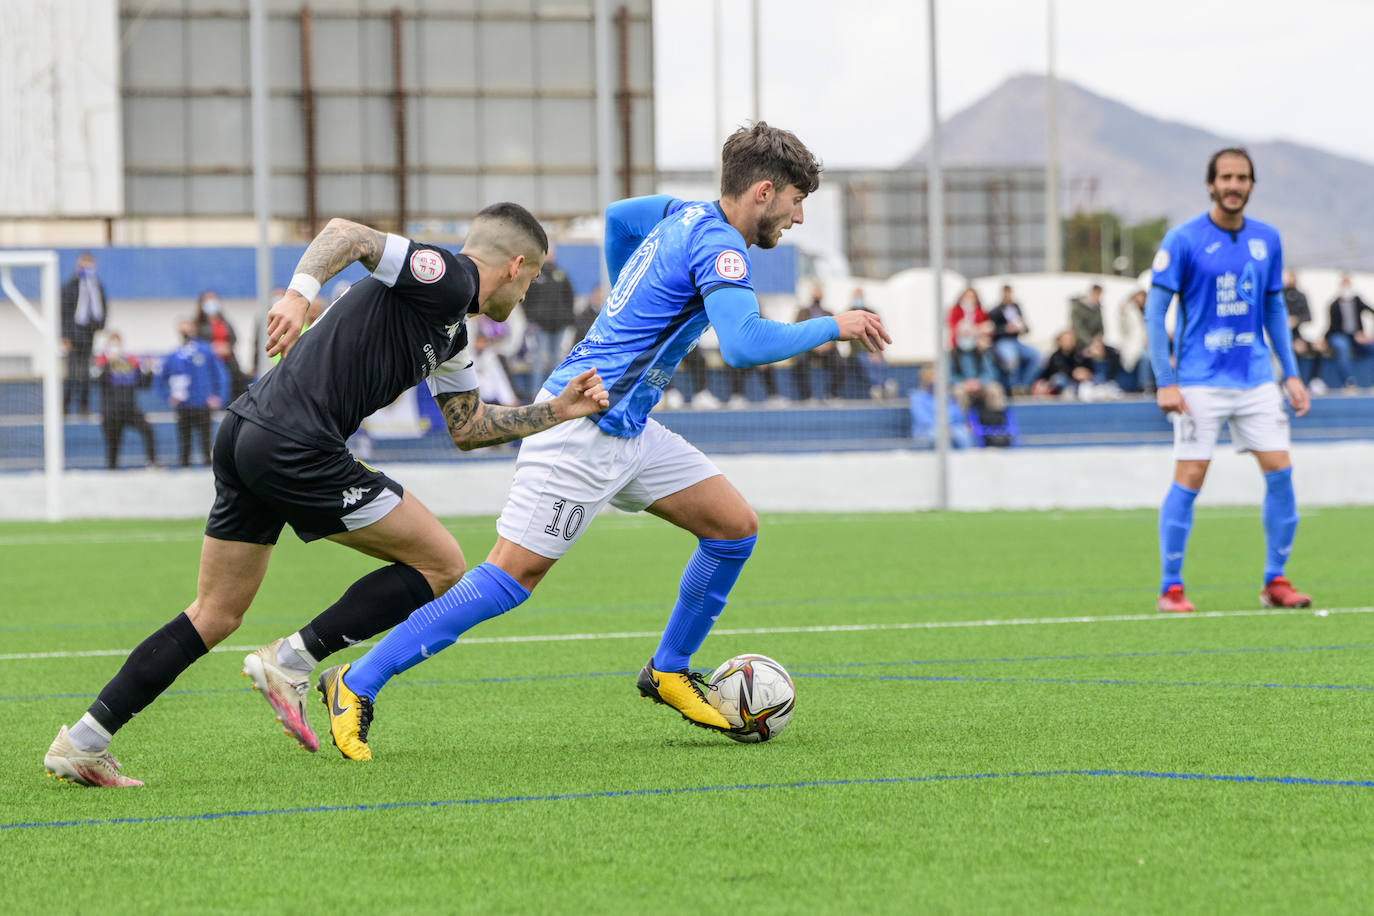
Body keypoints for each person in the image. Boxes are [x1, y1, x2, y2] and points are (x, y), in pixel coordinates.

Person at [316, 121, 890, 760]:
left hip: (629, 425)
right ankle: (355, 681)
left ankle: (668, 671)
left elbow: (619, 218)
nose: (799, 216)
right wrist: (832, 324)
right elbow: (744, 343)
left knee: (733, 528)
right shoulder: (722, 249)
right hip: (579, 426)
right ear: (762, 191)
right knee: (510, 579)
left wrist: (623, 303)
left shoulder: (680, 213)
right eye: (795, 201)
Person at [42, 203, 609, 786]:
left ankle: (83, 741)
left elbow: (468, 428)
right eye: (534, 277)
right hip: (297, 443)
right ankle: (291, 660)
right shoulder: (451, 275)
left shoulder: (452, 332)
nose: (528, 293)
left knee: (215, 613)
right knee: (442, 563)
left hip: (245, 432)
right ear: (516, 266)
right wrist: (297, 294)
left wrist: (558, 411)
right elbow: (347, 234)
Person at [1145, 147, 1311, 614]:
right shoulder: (1183, 239)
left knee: (1281, 473)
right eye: (1226, 177)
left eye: (1242, 178)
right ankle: (1171, 588)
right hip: (1198, 380)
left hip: (1256, 378)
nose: (1234, 185)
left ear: (1252, 185)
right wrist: (1165, 379)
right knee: (1191, 475)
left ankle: (1275, 582)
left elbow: (1274, 308)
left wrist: (1291, 375)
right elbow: (1155, 312)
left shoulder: (1267, 239)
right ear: (1210, 184)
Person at [160, 319, 231, 467]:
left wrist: (219, 397)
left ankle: (207, 470)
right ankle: (184, 472)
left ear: (194, 330)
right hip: (183, 406)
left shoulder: (206, 351)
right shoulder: (174, 355)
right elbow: (159, 379)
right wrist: (168, 396)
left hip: (203, 405)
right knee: (184, 445)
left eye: (188, 329)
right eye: (182, 329)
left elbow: (221, 375)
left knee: (206, 445)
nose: (185, 332)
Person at [520, 243, 577, 399]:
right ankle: (535, 396)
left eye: (552, 253)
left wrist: (567, 319)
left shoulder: (561, 275)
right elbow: (525, 299)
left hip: (559, 326)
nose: (550, 256)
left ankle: (555, 395)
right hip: (540, 327)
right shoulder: (535, 276)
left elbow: (569, 297)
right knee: (538, 360)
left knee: (557, 360)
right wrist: (532, 318)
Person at [94, 332, 157, 469]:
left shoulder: (130, 362)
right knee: (113, 445)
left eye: (117, 343)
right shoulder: (100, 362)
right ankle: (112, 468)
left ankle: (152, 462)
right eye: (112, 343)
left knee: (148, 430)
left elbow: (143, 384)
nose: (115, 347)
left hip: (130, 409)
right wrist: (109, 364)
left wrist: (148, 370)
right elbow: (96, 382)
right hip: (110, 412)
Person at [60, 252, 108, 416]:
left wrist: (99, 326)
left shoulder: (97, 286)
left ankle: (84, 405)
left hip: (89, 334)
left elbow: (102, 308)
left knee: (87, 372)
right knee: (73, 372)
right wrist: (65, 335)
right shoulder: (70, 285)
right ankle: (65, 405)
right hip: (73, 334)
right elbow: (64, 312)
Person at [792, 284, 849, 401]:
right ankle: (806, 396)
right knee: (800, 361)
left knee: (841, 363)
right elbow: (796, 331)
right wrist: (813, 344)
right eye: (815, 291)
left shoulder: (829, 312)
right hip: (807, 348)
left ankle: (832, 394)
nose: (817, 294)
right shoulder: (802, 312)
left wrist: (828, 345)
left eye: (819, 292)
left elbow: (836, 332)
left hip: (827, 349)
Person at [194, 291, 249, 400]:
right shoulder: (198, 325)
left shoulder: (225, 322)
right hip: (210, 365)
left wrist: (227, 347)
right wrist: (213, 348)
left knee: (235, 392)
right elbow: (197, 343)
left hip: (229, 363)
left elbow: (234, 338)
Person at [1324, 273, 1374, 389]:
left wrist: (1370, 334)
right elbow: (1333, 327)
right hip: (1339, 335)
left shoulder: (1357, 301)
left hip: (1357, 337)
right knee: (1342, 346)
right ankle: (1348, 381)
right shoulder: (1334, 305)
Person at [987, 284, 1040, 394]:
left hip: (1016, 342)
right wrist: (1005, 329)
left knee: (1037, 357)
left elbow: (1026, 328)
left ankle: (1024, 386)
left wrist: (1021, 328)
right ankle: (1013, 387)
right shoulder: (995, 311)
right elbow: (991, 331)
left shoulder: (1016, 308)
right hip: (1002, 342)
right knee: (1011, 359)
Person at [1070, 283, 1123, 389]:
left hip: (1095, 342)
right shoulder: (1078, 308)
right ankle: (1096, 382)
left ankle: (1106, 380)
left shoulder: (1097, 308)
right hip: (1081, 343)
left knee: (1114, 353)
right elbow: (1078, 329)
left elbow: (1101, 328)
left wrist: (1098, 339)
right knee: (1096, 352)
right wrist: (1091, 342)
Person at [1281, 270, 1325, 393]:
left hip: (1298, 335)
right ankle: (1288, 381)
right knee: (1292, 350)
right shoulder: (1278, 295)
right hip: (1284, 337)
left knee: (1317, 348)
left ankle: (1314, 380)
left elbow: (1308, 316)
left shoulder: (1301, 296)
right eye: (1290, 277)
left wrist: (1297, 320)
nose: (1292, 280)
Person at [1031, 329, 1093, 397]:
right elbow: (1057, 372)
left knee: (1097, 378)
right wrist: (1073, 373)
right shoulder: (1055, 356)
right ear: (1059, 342)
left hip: (1081, 381)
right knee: (1059, 379)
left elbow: (1088, 367)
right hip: (1065, 382)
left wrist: (1086, 373)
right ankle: (1067, 393)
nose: (1069, 342)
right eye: (1066, 340)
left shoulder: (1080, 354)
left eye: (1071, 340)